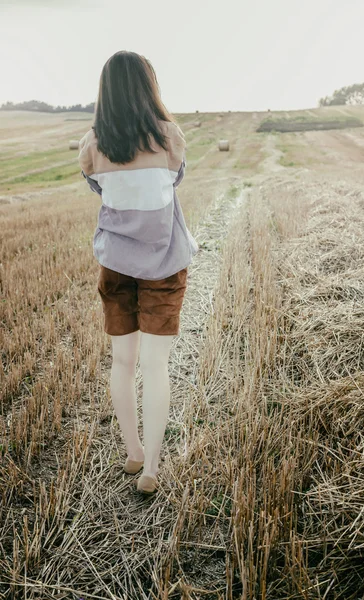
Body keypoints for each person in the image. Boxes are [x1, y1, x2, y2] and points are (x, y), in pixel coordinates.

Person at [78, 50, 199, 495]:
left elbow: (96, 187)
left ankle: (131, 453)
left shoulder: (92, 143)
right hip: (164, 263)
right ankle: (150, 467)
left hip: (115, 263)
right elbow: (175, 180)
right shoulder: (169, 137)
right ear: (150, 87)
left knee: (122, 363)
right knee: (155, 366)